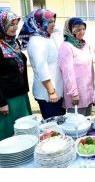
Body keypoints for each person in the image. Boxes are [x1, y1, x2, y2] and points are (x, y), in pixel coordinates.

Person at [18, 9, 65, 120]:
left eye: (54, 21)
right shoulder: (36, 41)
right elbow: (41, 67)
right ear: (38, 23)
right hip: (47, 94)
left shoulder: (46, 37)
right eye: (49, 22)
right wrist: (51, 91)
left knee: (60, 125)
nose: (53, 24)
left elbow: (57, 32)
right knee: (52, 128)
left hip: (56, 90)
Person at [0, 11, 32, 141]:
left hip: (21, 96)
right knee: (10, 137)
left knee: (26, 134)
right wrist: (1, 103)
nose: (15, 27)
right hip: (7, 100)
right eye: (10, 24)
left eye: (16, 24)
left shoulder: (15, 43)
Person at [58, 17, 95, 116]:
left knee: (87, 122)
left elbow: (89, 69)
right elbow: (68, 73)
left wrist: (92, 92)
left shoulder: (84, 44)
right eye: (78, 30)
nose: (82, 32)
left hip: (87, 91)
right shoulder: (66, 46)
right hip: (76, 94)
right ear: (70, 30)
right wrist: (74, 93)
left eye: (83, 29)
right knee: (77, 125)